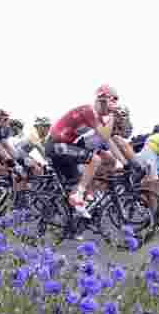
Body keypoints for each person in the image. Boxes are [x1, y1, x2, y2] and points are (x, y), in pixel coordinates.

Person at [43, 85, 130, 217]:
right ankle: (80, 194)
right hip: (55, 145)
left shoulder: (98, 119)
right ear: (102, 101)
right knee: (95, 160)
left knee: (109, 160)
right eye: (111, 103)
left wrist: (125, 163)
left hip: (66, 147)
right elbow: (105, 136)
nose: (112, 107)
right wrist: (112, 114)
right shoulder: (88, 110)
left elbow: (108, 141)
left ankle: (74, 217)